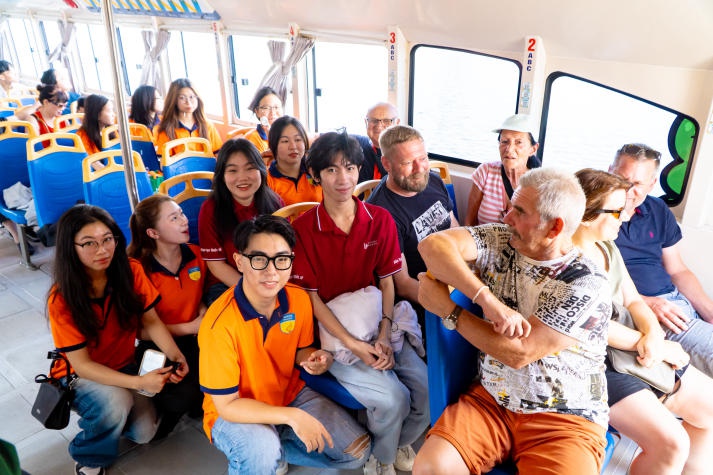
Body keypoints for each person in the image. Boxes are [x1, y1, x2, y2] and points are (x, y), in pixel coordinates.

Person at [414, 168, 610, 475]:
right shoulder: (503, 240)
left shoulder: (586, 282)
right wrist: (486, 300)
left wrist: (449, 311)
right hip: (492, 399)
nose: (507, 218)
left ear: (554, 227)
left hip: (564, 417)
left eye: (519, 212)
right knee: (430, 467)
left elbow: (518, 352)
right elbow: (431, 246)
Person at [291, 131, 429, 475]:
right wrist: (353, 343)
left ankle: (391, 444)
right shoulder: (303, 229)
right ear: (316, 175)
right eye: (332, 170)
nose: (344, 179)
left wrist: (383, 334)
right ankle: (380, 460)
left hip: (376, 318)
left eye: (350, 168)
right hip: (335, 330)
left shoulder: (379, 219)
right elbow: (312, 298)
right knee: (393, 398)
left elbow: (387, 281)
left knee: (426, 392)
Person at [198, 214, 371, 474]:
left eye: (281, 259)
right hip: (236, 411)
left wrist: (316, 358)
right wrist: (293, 417)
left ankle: (278, 445)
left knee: (357, 452)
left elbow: (301, 350)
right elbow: (227, 405)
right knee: (260, 453)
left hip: (288, 393)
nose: (271, 271)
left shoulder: (299, 299)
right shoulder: (218, 325)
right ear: (239, 262)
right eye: (259, 259)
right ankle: (265, 453)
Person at [573, 168, 713, 475]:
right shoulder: (565, 259)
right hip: (593, 364)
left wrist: (652, 334)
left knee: (709, 410)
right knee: (672, 443)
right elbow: (589, 325)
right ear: (585, 215)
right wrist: (655, 348)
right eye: (617, 211)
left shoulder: (607, 247)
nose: (625, 218)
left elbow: (634, 300)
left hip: (629, 349)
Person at [46, 204, 189, 475]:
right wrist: (137, 383)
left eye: (107, 240)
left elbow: (151, 321)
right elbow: (83, 365)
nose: (102, 251)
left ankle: (109, 416)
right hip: (79, 375)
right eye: (89, 243)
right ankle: (89, 454)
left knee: (145, 433)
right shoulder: (61, 297)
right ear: (70, 247)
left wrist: (176, 355)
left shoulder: (130, 270)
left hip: (123, 364)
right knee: (116, 402)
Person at [611, 143, 713, 377]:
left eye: (636, 184)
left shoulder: (657, 209)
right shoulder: (597, 216)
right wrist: (646, 303)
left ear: (652, 184)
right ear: (609, 171)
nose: (627, 190)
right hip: (646, 312)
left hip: (676, 302)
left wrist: (708, 311)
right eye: (620, 179)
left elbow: (677, 270)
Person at [128, 195, 207, 440]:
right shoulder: (138, 268)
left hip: (197, 338)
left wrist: (203, 310)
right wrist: (189, 326)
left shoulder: (196, 254)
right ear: (153, 233)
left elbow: (203, 293)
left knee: (209, 386)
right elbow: (138, 331)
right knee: (178, 399)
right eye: (174, 218)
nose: (184, 221)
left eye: (181, 213)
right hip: (157, 346)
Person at [367, 124, 458, 308]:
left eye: (423, 158)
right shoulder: (381, 213)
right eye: (407, 163)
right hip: (424, 294)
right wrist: (451, 305)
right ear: (386, 164)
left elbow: (455, 229)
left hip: (453, 275)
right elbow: (403, 285)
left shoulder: (433, 179)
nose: (420, 169)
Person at [198, 138, 283, 304]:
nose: (242, 178)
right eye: (232, 171)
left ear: (261, 170)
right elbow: (216, 266)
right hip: (226, 283)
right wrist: (254, 291)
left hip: (269, 278)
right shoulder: (210, 210)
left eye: (250, 168)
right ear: (221, 176)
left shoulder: (275, 203)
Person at [464, 113, 541, 226]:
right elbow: (469, 223)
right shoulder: (485, 172)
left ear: (533, 149)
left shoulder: (541, 184)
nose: (509, 149)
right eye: (504, 141)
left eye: (518, 142)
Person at [154, 78, 223, 156]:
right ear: (174, 101)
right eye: (182, 98)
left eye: (192, 97)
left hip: (207, 168)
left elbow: (218, 154)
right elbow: (164, 162)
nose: (188, 102)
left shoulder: (207, 125)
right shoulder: (167, 129)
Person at [266, 115, 322, 206]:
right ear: (274, 145)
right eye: (285, 141)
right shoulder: (267, 180)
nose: (293, 146)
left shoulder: (317, 170)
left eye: (298, 139)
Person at [352, 102, 398, 183]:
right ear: (366, 123)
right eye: (374, 120)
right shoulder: (355, 143)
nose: (379, 126)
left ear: (397, 123)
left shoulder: (405, 153)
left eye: (386, 121)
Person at [244, 86, 283, 155]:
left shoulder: (286, 134)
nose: (273, 112)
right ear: (257, 111)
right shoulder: (254, 139)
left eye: (276, 107)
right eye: (266, 108)